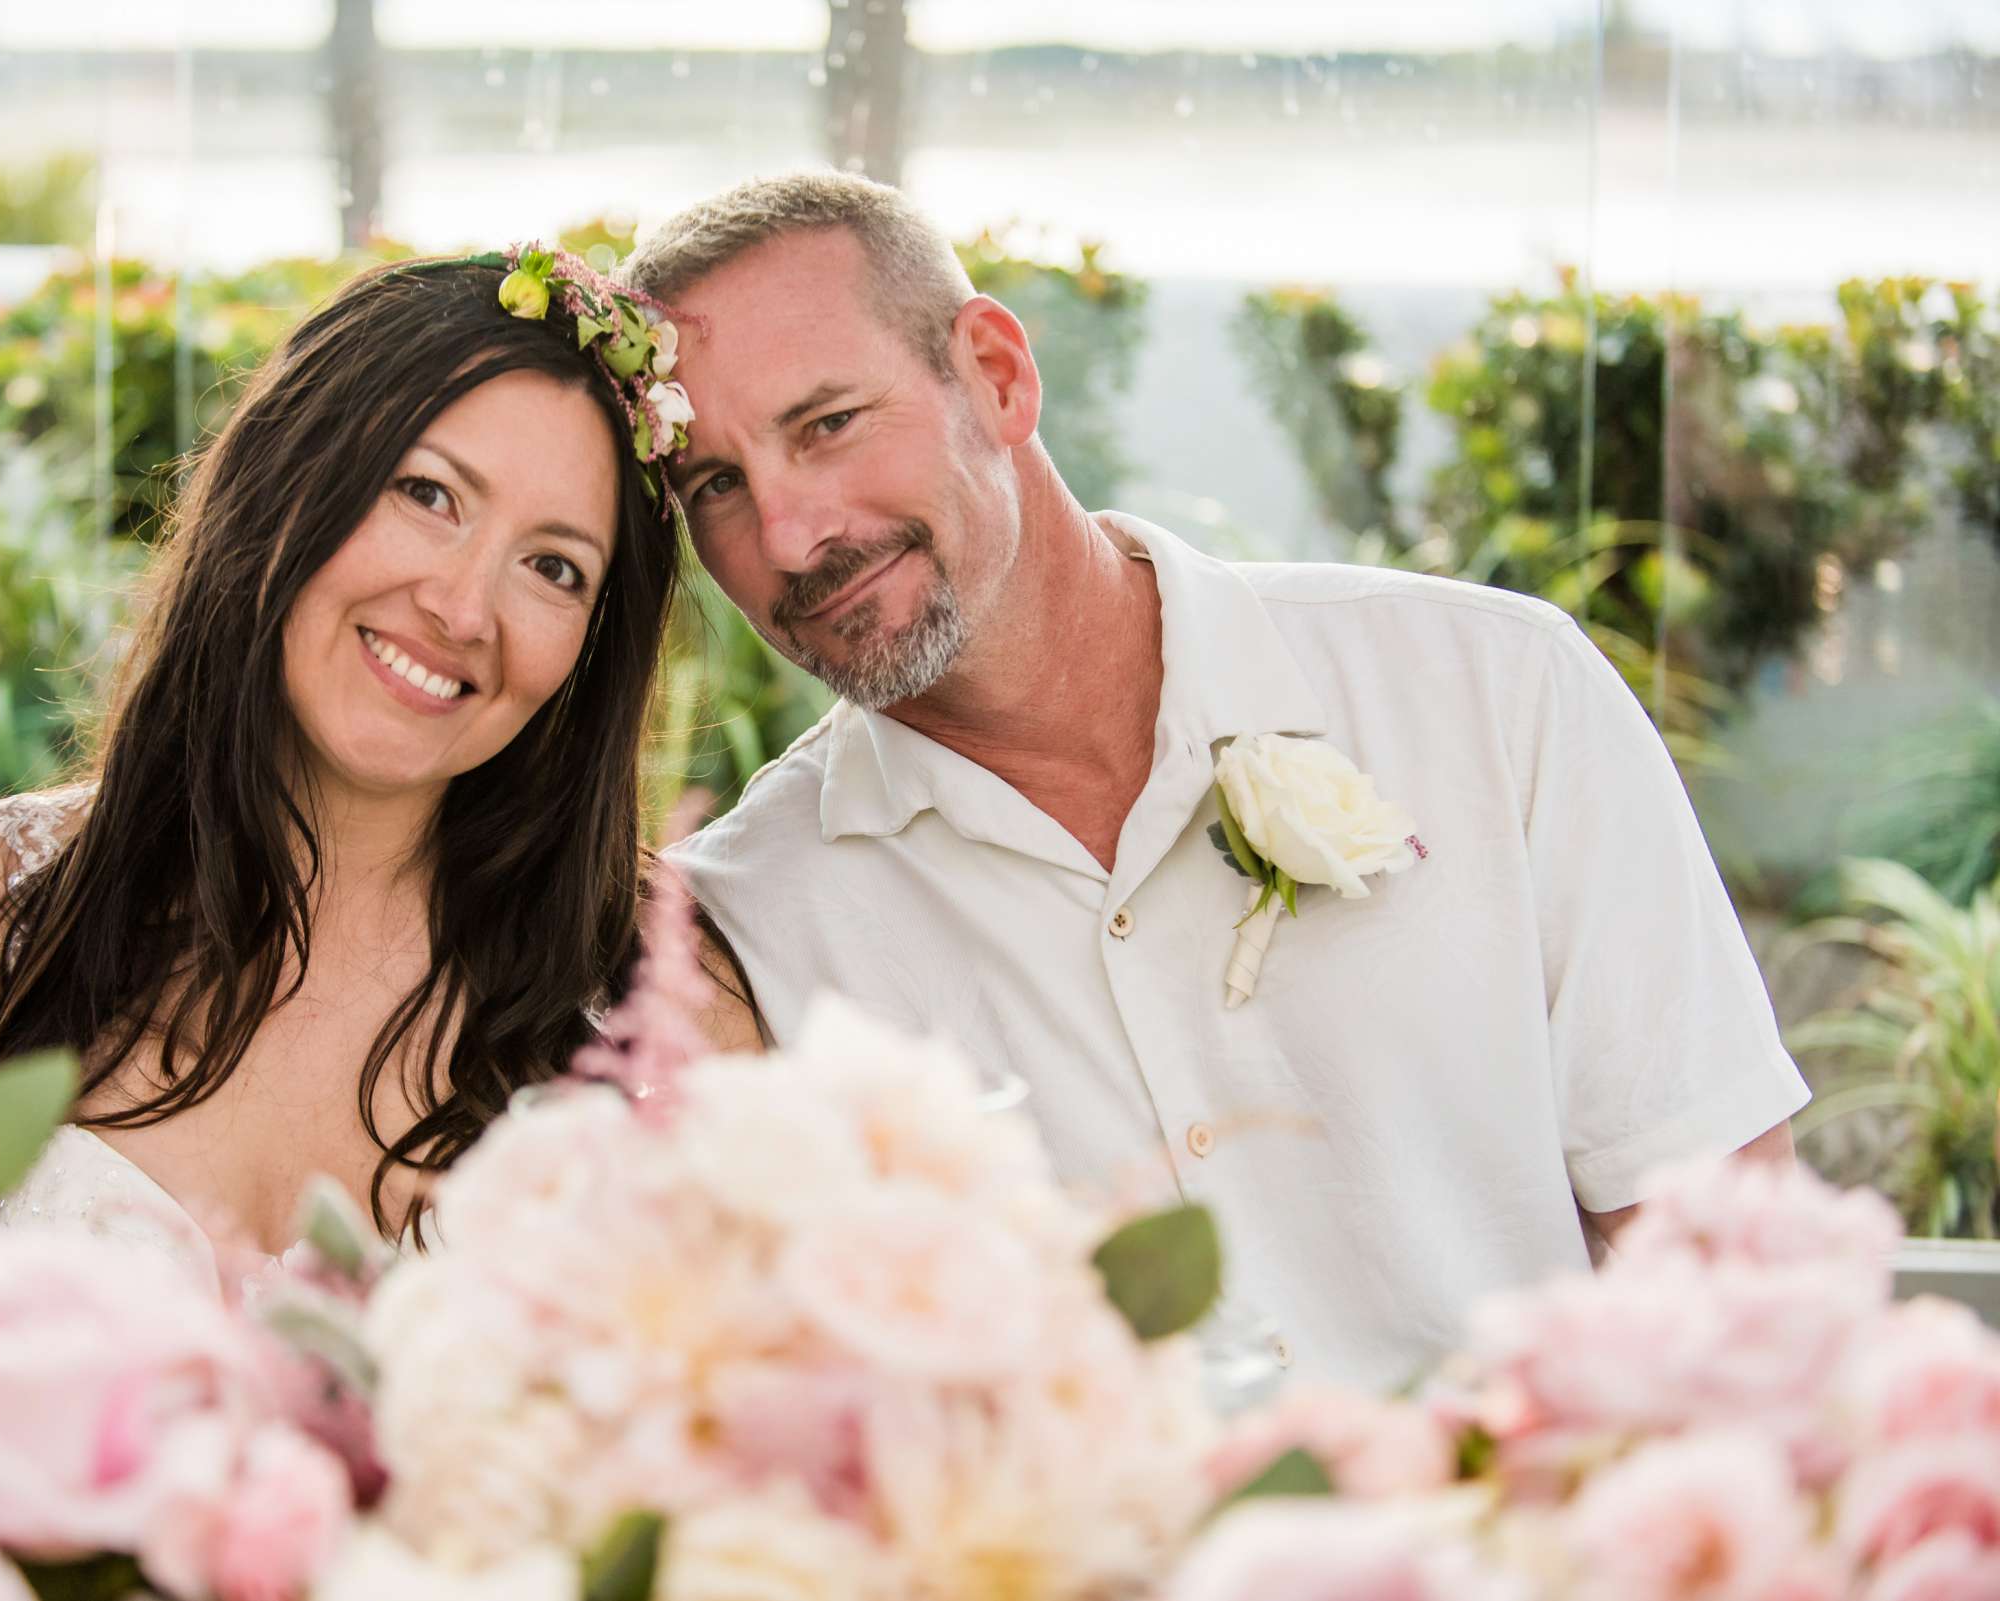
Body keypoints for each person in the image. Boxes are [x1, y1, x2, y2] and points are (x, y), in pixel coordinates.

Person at [631, 173, 1808, 1392]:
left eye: (827, 423)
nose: (785, 535)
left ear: (995, 374)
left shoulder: (1499, 693)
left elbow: (1727, 1275)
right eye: (712, 484)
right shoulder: (748, 927)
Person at [0, 248, 758, 1273]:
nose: (463, 607)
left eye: (553, 566)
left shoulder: (667, 1011)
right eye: (427, 493)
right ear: (286, 480)